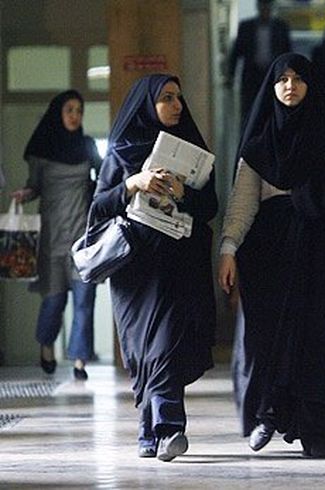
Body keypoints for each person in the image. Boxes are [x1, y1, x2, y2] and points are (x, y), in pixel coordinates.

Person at [219, 53, 325, 459]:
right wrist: (229, 248)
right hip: (269, 257)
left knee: (318, 340)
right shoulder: (259, 143)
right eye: (282, 79)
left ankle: (316, 429)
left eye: (298, 79)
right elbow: (243, 203)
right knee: (269, 340)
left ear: (310, 84)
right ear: (272, 87)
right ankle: (269, 412)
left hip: (323, 256)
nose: (290, 86)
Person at [92, 75, 218, 462]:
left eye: (178, 97)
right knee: (142, 352)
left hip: (178, 265)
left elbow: (210, 208)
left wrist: (183, 192)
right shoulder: (122, 152)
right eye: (166, 98)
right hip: (135, 271)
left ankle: (169, 428)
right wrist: (134, 183)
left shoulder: (193, 149)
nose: (176, 105)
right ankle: (149, 430)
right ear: (148, 104)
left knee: (166, 347)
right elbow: (99, 207)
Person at [11, 90, 101, 380]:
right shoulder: (42, 151)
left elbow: (104, 178)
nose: (75, 116)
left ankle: (80, 361)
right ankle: (46, 344)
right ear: (58, 113)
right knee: (54, 302)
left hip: (83, 239)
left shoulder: (87, 146)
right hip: (51, 239)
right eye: (69, 110)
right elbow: (34, 185)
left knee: (84, 302)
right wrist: (25, 194)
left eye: (79, 110)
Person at [226, 0, 292, 126]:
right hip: (251, 78)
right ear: (258, 8)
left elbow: (287, 53)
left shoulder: (281, 27)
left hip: (273, 76)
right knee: (249, 112)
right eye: (263, 7)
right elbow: (236, 53)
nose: (265, 11)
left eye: (268, 7)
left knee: (273, 110)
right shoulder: (246, 27)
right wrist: (231, 76)